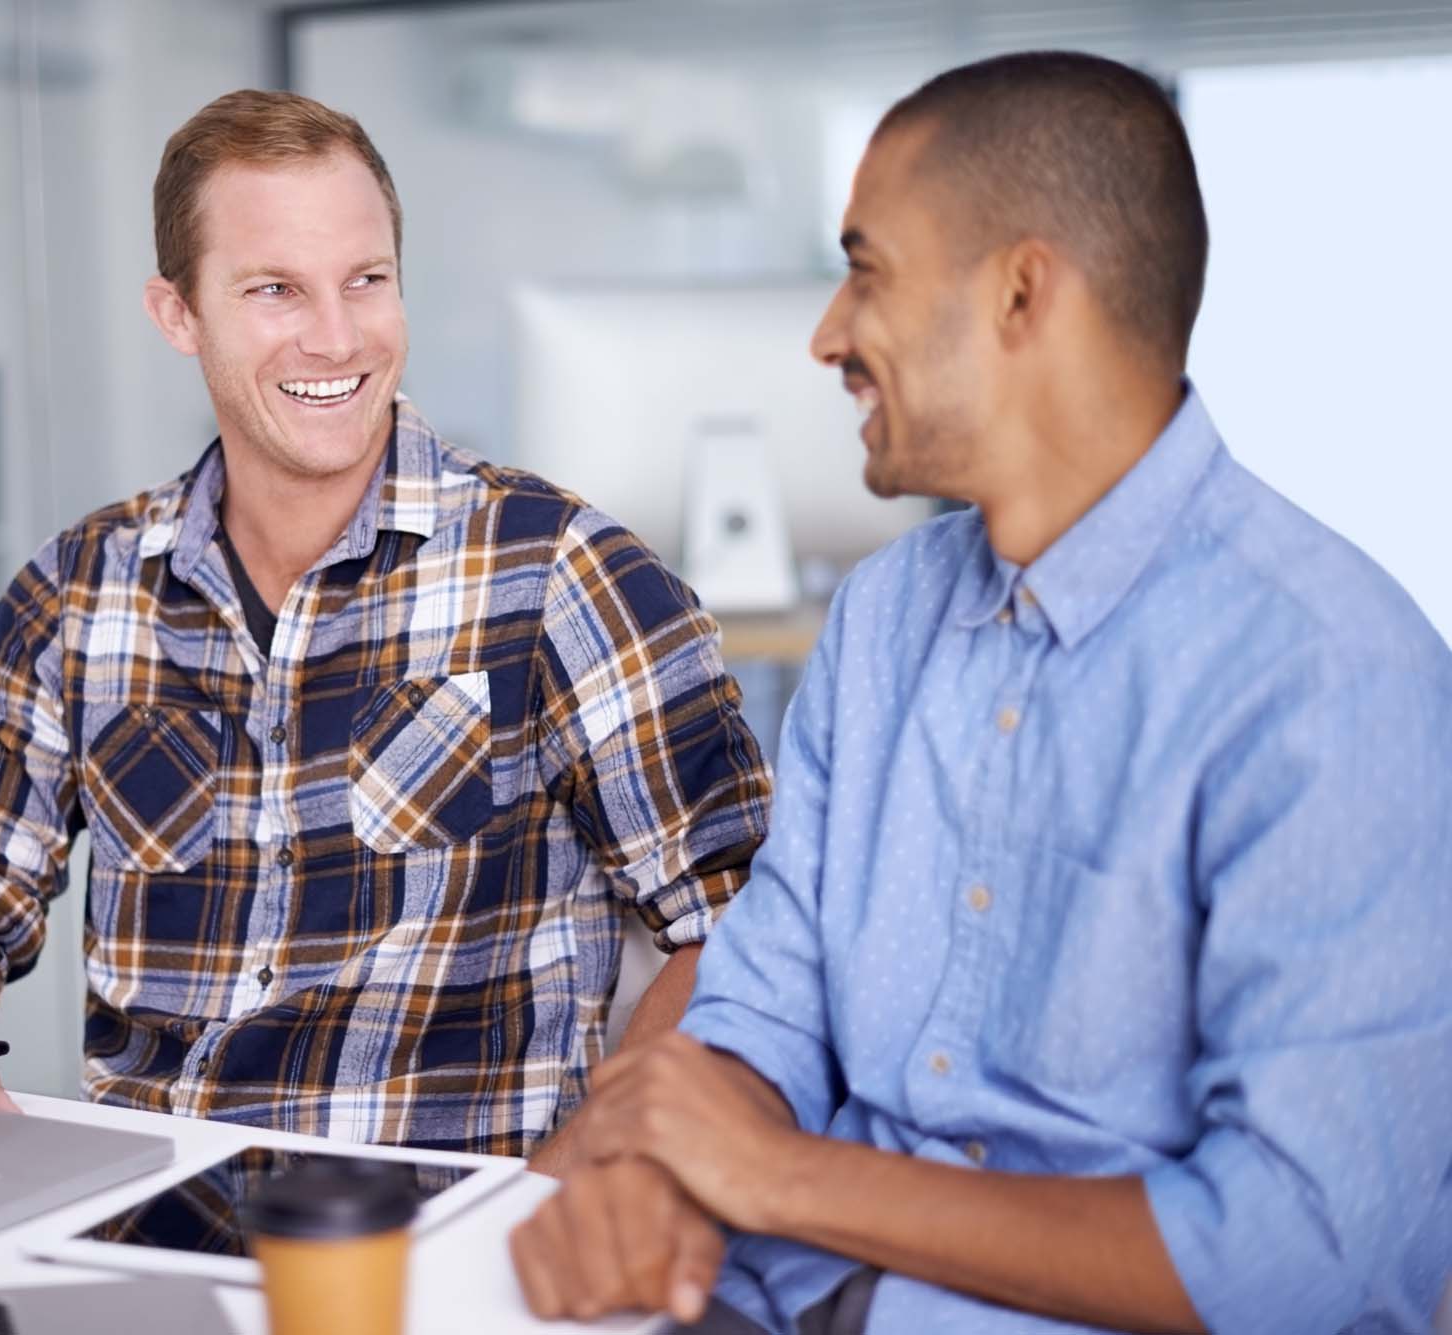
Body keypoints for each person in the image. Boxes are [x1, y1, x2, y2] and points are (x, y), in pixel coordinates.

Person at [510, 49, 1452, 1334]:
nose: (827, 334)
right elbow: (767, 998)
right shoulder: (886, 616)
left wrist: (779, 1175)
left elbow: (1287, 1252)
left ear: (1020, 294)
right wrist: (672, 1169)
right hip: (769, 1298)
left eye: (866, 268)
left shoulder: (1329, 678)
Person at [0, 90, 771, 1168]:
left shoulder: (564, 578)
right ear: (178, 315)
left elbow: (741, 933)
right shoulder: (75, 592)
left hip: (436, 1237)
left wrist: (577, 1184)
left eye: (366, 280)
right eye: (274, 290)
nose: (336, 335)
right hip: (139, 1222)